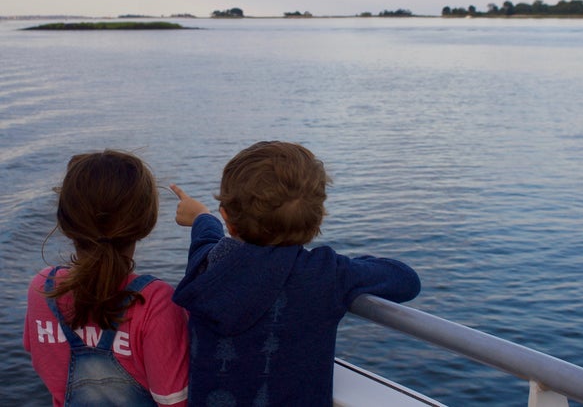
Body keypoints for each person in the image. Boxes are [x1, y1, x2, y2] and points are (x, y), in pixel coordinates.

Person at [171, 141, 421, 406]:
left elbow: (206, 241)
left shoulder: (207, 268)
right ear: (317, 219)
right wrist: (346, 266)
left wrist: (202, 216)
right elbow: (406, 280)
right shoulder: (327, 273)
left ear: (227, 219)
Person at [23, 150, 189, 406]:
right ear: (146, 222)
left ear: (66, 222)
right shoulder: (156, 303)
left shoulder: (43, 289)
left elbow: (39, 358)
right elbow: (174, 401)